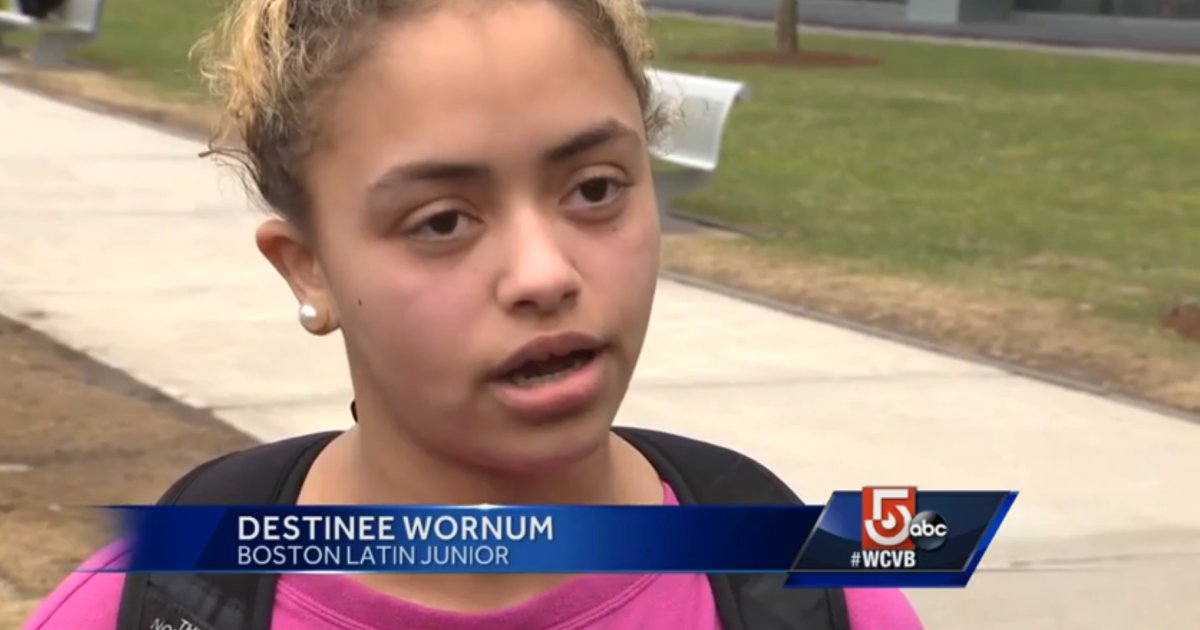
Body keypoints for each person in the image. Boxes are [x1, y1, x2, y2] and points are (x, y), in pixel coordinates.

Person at [24, 0, 924, 628]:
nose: (544, 274)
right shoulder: (149, 602)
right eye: (443, 222)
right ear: (310, 269)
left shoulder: (820, 589)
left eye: (596, 189)